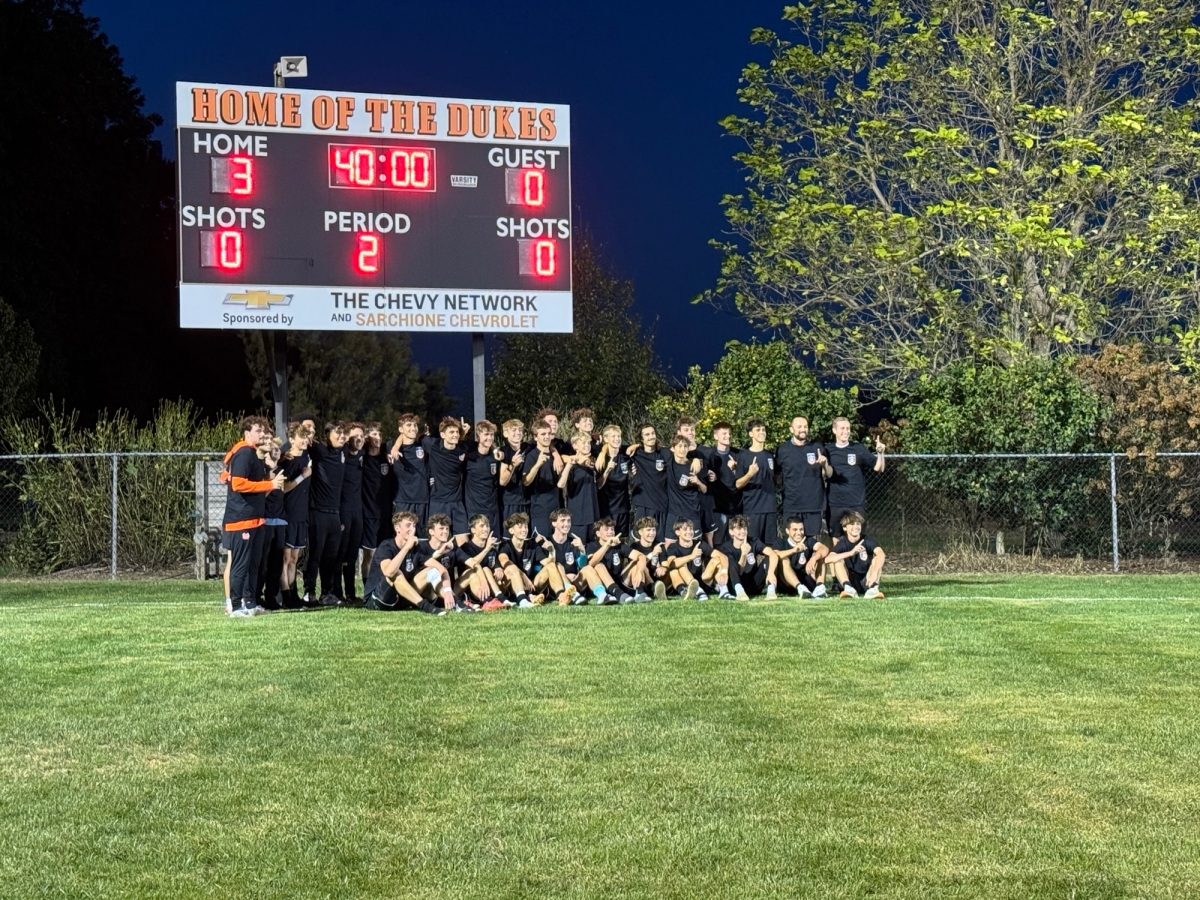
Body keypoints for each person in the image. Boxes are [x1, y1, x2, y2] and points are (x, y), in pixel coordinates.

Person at [222, 416, 285, 616]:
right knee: (240, 565)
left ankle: (250, 603)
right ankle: (236, 606)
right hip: (241, 520)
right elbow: (238, 484)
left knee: (254, 564)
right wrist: (270, 485)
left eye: (264, 431)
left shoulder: (255, 456)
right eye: (258, 431)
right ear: (247, 433)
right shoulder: (244, 452)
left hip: (256, 520)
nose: (263, 434)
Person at [362, 511, 451, 614]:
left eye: (413, 525)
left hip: (400, 599)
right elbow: (389, 572)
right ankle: (426, 606)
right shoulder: (386, 546)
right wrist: (406, 547)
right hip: (377, 600)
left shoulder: (416, 548)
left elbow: (440, 568)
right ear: (397, 528)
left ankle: (456, 603)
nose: (412, 529)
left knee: (431, 570)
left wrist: (448, 592)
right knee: (396, 573)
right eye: (408, 525)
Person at [303, 420, 347, 606]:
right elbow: (302, 439)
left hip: (334, 513)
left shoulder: (343, 453)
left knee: (331, 556)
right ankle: (309, 592)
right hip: (318, 511)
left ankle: (326, 593)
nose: (341, 436)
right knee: (315, 554)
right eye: (337, 433)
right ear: (327, 435)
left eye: (343, 433)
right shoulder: (320, 449)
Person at [823, 416, 885, 540]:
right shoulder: (827, 450)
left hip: (856, 502)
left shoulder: (858, 448)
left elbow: (879, 468)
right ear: (834, 430)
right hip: (835, 503)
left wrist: (880, 453)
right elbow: (824, 472)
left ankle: (856, 559)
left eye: (848, 428)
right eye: (842, 428)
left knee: (857, 538)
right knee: (835, 538)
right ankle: (836, 560)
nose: (846, 431)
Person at [776, 416, 828, 540]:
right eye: (799, 427)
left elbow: (829, 473)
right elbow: (776, 476)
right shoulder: (783, 450)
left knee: (812, 543)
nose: (803, 429)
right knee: (792, 542)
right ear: (791, 429)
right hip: (792, 504)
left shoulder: (817, 447)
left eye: (805, 426)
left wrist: (825, 464)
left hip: (813, 505)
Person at [279, 420, 312, 609]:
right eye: (301, 437)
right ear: (292, 439)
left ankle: (294, 593)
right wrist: (302, 477)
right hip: (288, 514)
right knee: (286, 557)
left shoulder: (307, 456)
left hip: (302, 515)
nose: (305, 440)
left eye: (306, 436)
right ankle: (285, 596)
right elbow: (283, 487)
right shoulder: (288, 460)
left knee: (294, 559)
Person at [661, 517, 732, 600]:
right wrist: (691, 556)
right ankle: (697, 592)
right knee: (680, 566)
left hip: (702, 580)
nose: (689, 532)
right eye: (685, 529)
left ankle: (724, 590)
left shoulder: (699, 544)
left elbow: (722, 556)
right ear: (677, 532)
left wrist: (724, 572)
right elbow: (672, 564)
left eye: (691, 529)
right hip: (686, 582)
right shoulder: (673, 547)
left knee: (716, 559)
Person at [359, 422, 393, 588]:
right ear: (366, 438)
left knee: (385, 553)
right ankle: (367, 587)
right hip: (368, 513)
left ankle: (382, 586)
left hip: (386, 514)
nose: (378, 438)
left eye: (379, 435)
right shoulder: (362, 458)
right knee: (369, 554)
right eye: (373, 435)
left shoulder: (387, 458)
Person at [425, 417, 471, 536]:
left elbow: (485, 444)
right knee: (438, 541)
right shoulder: (432, 445)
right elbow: (410, 438)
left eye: (457, 432)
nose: (455, 435)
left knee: (463, 540)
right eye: (451, 432)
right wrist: (395, 447)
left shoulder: (463, 448)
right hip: (438, 502)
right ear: (442, 435)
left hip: (457, 502)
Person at [336, 422, 366, 604]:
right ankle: (336, 592)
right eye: (355, 436)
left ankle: (351, 594)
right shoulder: (340, 455)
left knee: (353, 554)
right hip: (342, 510)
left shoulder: (363, 455)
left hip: (358, 511)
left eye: (361, 436)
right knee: (340, 552)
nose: (359, 439)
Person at [826, 510, 886, 598]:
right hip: (850, 581)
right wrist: (851, 553)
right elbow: (828, 559)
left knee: (877, 559)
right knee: (838, 561)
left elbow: (881, 555)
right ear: (845, 528)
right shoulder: (842, 543)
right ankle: (848, 588)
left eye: (858, 524)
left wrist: (874, 573)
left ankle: (873, 589)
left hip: (867, 580)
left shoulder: (867, 540)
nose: (856, 527)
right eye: (852, 524)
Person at [768, 516, 829, 599]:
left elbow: (824, 548)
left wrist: (814, 558)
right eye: (795, 530)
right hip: (787, 583)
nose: (799, 533)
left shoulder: (808, 540)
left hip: (805, 580)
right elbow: (774, 555)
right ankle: (800, 588)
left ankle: (820, 588)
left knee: (820, 556)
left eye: (801, 529)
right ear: (787, 531)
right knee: (784, 560)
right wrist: (793, 550)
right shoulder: (781, 542)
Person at [736, 418, 777, 544]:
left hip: (770, 508)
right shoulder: (743, 456)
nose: (762, 432)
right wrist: (749, 474)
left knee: (770, 546)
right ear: (750, 434)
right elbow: (738, 484)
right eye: (758, 430)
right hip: (752, 509)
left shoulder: (770, 455)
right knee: (751, 545)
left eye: (763, 430)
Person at [454, 514, 508, 610]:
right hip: (470, 587)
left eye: (487, 526)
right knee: (474, 573)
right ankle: (487, 601)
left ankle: (504, 598)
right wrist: (486, 549)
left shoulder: (492, 549)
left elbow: (495, 565)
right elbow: (471, 565)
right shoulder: (465, 548)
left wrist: (498, 569)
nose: (486, 529)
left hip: (488, 586)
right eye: (482, 526)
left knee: (489, 570)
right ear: (473, 530)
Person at [496, 511, 549, 607]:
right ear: (511, 531)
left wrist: (552, 551)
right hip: (510, 586)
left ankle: (563, 595)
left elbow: (548, 563)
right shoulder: (505, 545)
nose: (524, 530)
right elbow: (504, 562)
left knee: (552, 566)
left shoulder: (532, 545)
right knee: (510, 568)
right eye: (520, 527)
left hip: (531, 585)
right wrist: (523, 575)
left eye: (525, 527)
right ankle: (523, 600)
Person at [521, 418, 562, 538]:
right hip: (540, 510)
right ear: (535, 437)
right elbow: (526, 481)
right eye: (543, 434)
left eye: (549, 434)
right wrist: (538, 464)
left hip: (556, 508)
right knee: (541, 546)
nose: (547, 437)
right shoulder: (531, 456)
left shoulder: (555, 455)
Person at [717, 514, 773, 600]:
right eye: (739, 528)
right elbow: (739, 571)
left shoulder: (753, 541)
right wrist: (744, 554)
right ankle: (740, 591)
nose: (743, 531)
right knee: (729, 561)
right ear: (731, 531)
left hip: (754, 584)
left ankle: (771, 590)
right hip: (735, 584)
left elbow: (772, 554)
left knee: (769, 558)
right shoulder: (726, 548)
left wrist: (771, 573)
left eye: (744, 528)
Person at [584, 517, 640, 603]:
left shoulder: (619, 545)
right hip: (600, 584)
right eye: (606, 529)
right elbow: (591, 563)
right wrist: (607, 544)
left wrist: (639, 571)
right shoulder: (591, 546)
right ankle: (615, 594)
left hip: (619, 582)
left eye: (612, 529)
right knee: (599, 565)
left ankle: (640, 592)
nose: (610, 532)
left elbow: (640, 556)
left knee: (635, 562)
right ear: (598, 533)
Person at [389, 412, 430, 530]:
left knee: (422, 540)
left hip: (422, 500)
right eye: (408, 425)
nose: (413, 428)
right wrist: (396, 447)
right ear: (400, 429)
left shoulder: (422, 446)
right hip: (402, 501)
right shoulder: (391, 446)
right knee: (403, 537)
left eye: (415, 425)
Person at [628, 423, 669, 537]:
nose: (651, 436)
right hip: (643, 505)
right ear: (641, 439)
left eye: (653, 433)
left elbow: (680, 460)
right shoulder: (635, 453)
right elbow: (614, 448)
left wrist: (695, 459)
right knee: (641, 541)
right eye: (647, 435)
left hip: (662, 504)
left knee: (660, 542)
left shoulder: (664, 453)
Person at [558, 430, 601, 541]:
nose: (587, 445)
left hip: (593, 515)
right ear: (575, 446)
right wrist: (569, 465)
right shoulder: (571, 464)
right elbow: (561, 484)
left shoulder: (592, 463)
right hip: (578, 516)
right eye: (583, 443)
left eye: (588, 443)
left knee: (592, 549)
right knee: (578, 550)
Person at [664, 434, 708, 539]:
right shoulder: (668, 463)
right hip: (674, 512)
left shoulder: (693, 466)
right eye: (679, 446)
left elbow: (705, 489)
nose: (682, 449)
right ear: (673, 448)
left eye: (685, 446)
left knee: (694, 544)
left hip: (691, 512)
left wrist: (698, 482)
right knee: (669, 543)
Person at [464, 420, 503, 536]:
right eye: (486, 434)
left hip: (491, 508)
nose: (489, 438)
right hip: (473, 507)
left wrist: (495, 449)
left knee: (493, 542)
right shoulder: (469, 455)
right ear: (478, 436)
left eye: (491, 435)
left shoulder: (496, 457)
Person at [707, 421, 742, 546]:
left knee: (735, 544)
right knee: (718, 544)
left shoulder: (738, 454)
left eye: (729, 433)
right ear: (716, 436)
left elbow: (744, 479)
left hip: (736, 507)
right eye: (724, 433)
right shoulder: (709, 455)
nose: (728, 436)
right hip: (718, 509)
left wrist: (736, 469)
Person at [595, 424, 631, 536]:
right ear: (606, 439)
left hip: (623, 508)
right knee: (607, 541)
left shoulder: (626, 457)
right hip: (607, 509)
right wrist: (607, 471)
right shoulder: (600, 459)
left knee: (621, 541)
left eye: (618, 436)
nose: (617, 439)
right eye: (613, 436)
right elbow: (598, 486)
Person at [626, 515, 670, 600]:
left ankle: (657, 589)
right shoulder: (635, 546)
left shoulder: (659, 545)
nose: (652, 533)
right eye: (648, 530)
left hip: (656, 578)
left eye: (653, 530)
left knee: (672, 571)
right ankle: (650, 589)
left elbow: (666, 564)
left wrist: (663, 568)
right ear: (640, 532)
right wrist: (652, 554)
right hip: (640, 580)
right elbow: (634, 565)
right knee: (641, 566)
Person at [498, 419, 529, 523]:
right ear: (506, 433)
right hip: (510, 502)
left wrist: (555, 454)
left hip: (526, 501)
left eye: (520, 430)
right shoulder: (503, 451)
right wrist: (513, 465)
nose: (518, 433)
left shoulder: (527, 448)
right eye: (514, 430)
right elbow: (502, 481)